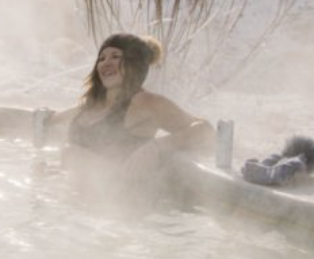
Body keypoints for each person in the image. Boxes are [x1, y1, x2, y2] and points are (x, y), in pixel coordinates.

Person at [48, 33, 213, 192]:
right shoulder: (94, 104)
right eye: (102, 58)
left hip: (115, 206)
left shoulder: (144, 102)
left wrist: (156, 148)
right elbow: (52, 123)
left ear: (134, 64)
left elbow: (205, 131)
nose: (106, 63)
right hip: (73, 196)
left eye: (116, 57)